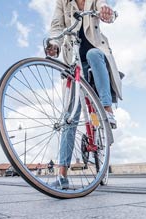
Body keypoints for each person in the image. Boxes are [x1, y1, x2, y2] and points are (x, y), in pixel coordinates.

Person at [46, 0, 122, 189]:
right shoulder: (63, 2)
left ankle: (106, 109)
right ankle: (62, 174)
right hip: (73, 60)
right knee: (69, 116)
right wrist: (54, 44)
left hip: (94, 55)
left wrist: (107, 12)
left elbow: (106, 10)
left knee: (94, 55)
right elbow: (56, 27)